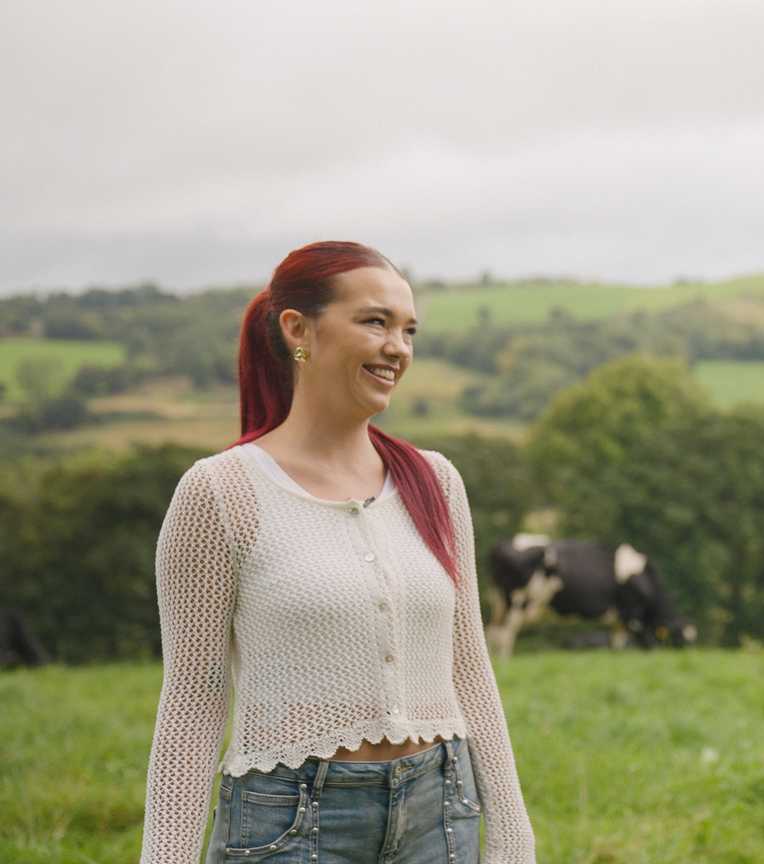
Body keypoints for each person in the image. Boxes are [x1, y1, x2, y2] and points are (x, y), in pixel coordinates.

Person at [139, 241, 536, 863]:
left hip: (441, 812)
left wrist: (513, 838)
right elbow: (193, 702)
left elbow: (470, 671)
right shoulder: (220, 492)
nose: (397, 348)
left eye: (408, 330)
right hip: (288, 823)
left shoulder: (436, 482)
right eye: (375, 322)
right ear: (298, 330)